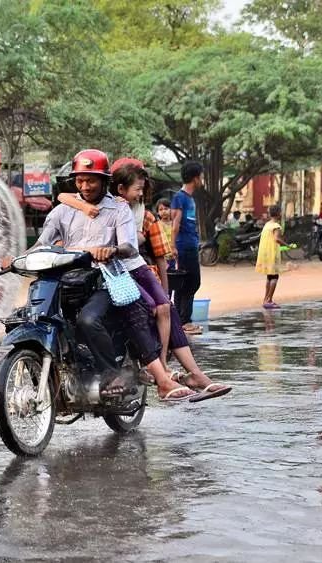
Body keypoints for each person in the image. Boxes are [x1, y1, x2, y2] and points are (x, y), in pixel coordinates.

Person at [30, 149, 197, 401]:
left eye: (91, 180)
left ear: (105, 180)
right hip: (64, 280)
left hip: (105, 281)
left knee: (89, 320)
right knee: (34, 317)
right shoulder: (62, 210)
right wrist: (16, 257)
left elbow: (129, 246)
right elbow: (42, 244)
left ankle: (112, 373)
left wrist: (111, 249)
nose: (85, 186)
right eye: (80, 180)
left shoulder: (119, 209)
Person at [171, 161, 204, 335]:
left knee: (185, 284)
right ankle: (184, 321)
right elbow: (175, 224)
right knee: (191, 283)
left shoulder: (189, 198)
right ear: (195, 178)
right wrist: (173, 245)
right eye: (201, 176)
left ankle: (180, 321)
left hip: (191, 245)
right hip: (184, 247)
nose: (202, 180)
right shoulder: (180, 197)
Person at [257, 204, 288, 309]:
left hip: (265, 253)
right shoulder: (276, 226)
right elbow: (276, 239)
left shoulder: (267, 225)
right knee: (275, 276)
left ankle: (265, 299)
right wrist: (286, 245)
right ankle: (269, 300)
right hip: (272, 253)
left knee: (269, 276)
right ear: (279, 214)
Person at [156, 198, 175, 269]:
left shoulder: (174, 224)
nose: (163, 211)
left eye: (166, 208)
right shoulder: (157, 225)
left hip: (174, 256)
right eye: (161, 209)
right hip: (163, 258)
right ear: (157, 212)